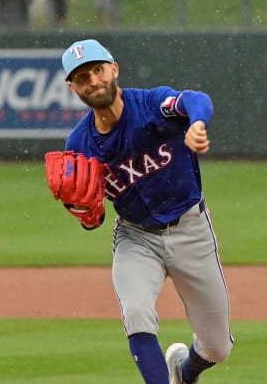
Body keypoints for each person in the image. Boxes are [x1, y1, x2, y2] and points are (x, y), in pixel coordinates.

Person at [59, 38, 234, 383]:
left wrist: (197, 123)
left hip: (191, 228)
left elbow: (195, 100)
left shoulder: (152, 104)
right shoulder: (78, 145)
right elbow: (92, 217)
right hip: (135, 236)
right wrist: (85, 214)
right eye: (82, 77)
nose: (93, 80)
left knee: (216, 348)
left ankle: (184, 373)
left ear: (114, 70)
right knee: (137, 312)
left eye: (98, 70)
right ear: (73, 88)